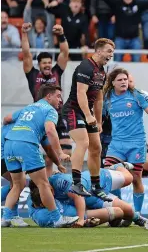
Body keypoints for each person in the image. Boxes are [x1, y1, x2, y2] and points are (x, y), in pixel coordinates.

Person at [2, 84, 76, 228]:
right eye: (58, 96)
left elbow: (6, 118)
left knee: (17, 184)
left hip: (9, 144)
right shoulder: (50, 110)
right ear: (48, 96)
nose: (60, 100)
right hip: (26, 145)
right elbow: (50, 129)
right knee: (43, 184)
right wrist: (60, 153)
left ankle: (5, 218)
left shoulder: (29, 107)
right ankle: (57, 219)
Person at [102, 68, 148, 222]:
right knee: (110, 176)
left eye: (125, 79)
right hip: (116, 144)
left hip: (136, 144)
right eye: (120, 80)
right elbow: (100, 116)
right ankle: (121, 210)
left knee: (136, 179)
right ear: (112, 83)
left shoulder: (137, 95)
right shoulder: (107, 98)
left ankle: (136, 215)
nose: (124, 82)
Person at [62, 38, 114, 200]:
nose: (111, 55)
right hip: (73, 110)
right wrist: (88, 115)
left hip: (87, 113)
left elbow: (99, 100)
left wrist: (98, 121)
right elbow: (80, 93)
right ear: (98, 51)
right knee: (83, 142)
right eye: (109, 51)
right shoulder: (85, 66)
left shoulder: (102, 72)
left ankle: (96, 186)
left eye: (112, 52)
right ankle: (76, 182)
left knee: (96, 148)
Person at [21, 22, 71, 173]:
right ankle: (48, 183)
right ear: (39, 64)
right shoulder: (33, 74)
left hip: (58, 114)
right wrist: (24, 33)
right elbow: (26, 54)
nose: (48, 65)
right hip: (40, 116)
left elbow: (64, 53)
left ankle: (66, 181)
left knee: (68, 152)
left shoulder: (57, 71)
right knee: (48, 157)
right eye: (44, 63)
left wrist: (61, 34)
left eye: (49, 62)